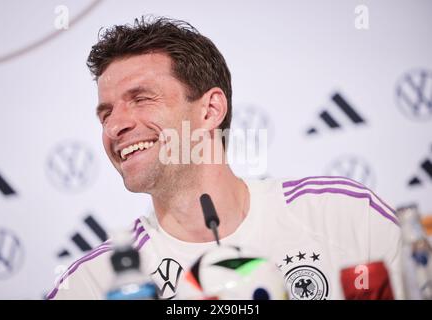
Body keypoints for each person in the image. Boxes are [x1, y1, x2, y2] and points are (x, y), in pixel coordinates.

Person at [47, 16, 402, 300]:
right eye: (105, 113)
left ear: (210, 109)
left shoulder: (345, 216)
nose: (115, 126)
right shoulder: (90, 286)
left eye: (141, 98)